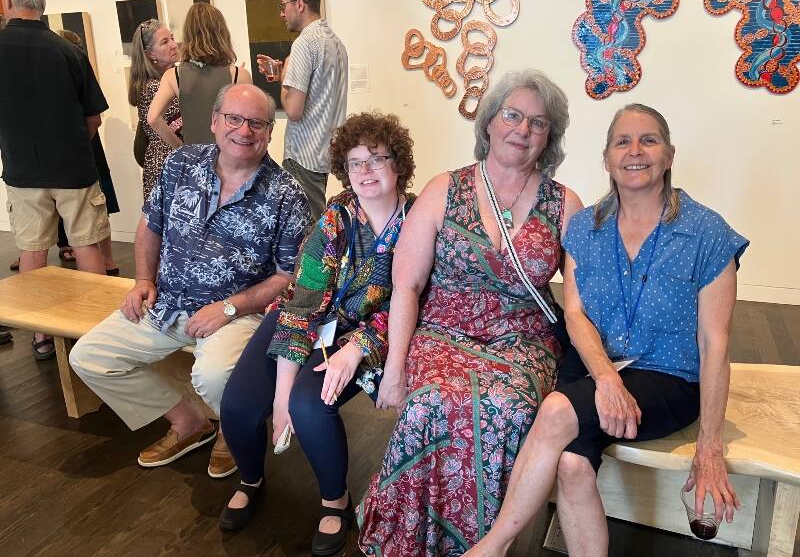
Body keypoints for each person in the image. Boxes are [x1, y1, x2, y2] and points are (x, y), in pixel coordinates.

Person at [465, 104, 749, 557]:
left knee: (557, 411)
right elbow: (575, 315)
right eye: (623, 142)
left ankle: (493, 547)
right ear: (607, 158)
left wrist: (709, 445)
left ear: (669, 154)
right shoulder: (584, 227)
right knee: (574, 465)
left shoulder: (707, 234)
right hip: (596, 363)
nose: (635, 151)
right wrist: (607, 379)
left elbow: (716, 344)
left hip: (668, 376)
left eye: (649, 140)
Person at [357, 70, 583, 555]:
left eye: (537, 123)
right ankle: (413, 540)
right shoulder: (445, 189)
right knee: (429, 404)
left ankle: (491, 544)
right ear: (490, 123)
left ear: (550, 137)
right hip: (444, 332)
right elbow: (406, 284)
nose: (522, 130)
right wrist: (394, 367)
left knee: (512, 408)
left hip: (524, 340)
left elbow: (583, 299)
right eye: (513, 115)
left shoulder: (565, 203)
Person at [69, 84, 311, 478]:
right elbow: (151, 224)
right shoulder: (181, 163)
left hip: (237, 313)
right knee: (89, 357)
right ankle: (189, 423)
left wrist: (229, 308)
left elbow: (288, 278)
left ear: (270, 132)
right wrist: (143, 279)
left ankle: (233, 430)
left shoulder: (287, 195)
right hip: (165, 303)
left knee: (214, 374)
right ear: (215, 122)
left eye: (256, 123)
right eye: (234, 118)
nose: (244, 130)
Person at [218, 112, 416, 555]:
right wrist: (280, 393)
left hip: (367, 334)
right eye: (354, 162)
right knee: (238, 403)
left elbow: (412, 304)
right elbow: (305, 297)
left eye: (377, 159)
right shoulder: (337, 216)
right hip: (306, 319)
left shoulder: (419, 220)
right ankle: (251, 478)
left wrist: (357, 349)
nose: (365, 172)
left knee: (311, 405)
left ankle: (335, 501)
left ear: (398, 164)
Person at [0, 0, 109, 360]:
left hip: (22, 171)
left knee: (32, 251)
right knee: (86, 244)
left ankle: (41, 336)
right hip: (74, 168)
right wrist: (72, 145)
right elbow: (93, 118)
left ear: (8, 1)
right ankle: (100, 331)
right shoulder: (67, 51)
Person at [256, 0, 348, 219]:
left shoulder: (304, 44)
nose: (281, 13)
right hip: (325, 152)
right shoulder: (336, 43)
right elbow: (318, 94)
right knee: (314, 226)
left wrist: (285, 76)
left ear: (299, 4)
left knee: (305, 236)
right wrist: (283, 76)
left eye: (282, 5)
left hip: (304, 155)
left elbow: (294, 110)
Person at [57, 28, 120, 275]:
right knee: (94, 205)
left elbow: (94, 117)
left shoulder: (73, 75)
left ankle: (105, 258)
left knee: (94, 205)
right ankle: (105, 258)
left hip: (82, 147)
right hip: (82, 145)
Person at [148, 3, 251, 149]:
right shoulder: (239, 75)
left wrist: (179, 147)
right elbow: (251, 122)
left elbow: (153, 118)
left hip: (194, 159)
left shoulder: (173, 76)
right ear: (221, 32)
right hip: (230, 157)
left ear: (188, 34)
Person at [128, 18, 180, 200]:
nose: (174, 45)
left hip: (166, 162)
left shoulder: (164, 82)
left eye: (172, 38)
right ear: (149, 54)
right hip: (167, 164)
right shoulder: (154, 88)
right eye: (165, 42)